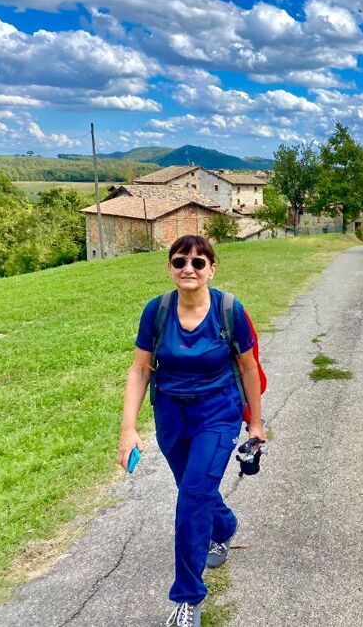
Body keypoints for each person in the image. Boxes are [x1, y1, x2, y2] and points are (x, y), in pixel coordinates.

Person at [118, 235, 265, 627]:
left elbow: (249, 369)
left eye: (199, 262)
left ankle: (188, 597)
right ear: (170, 267)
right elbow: (139, 370)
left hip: (218, 414)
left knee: (192, 496)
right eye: (181, 261)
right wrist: (128, 428)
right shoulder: (157, 311)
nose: (189, 268)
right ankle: (225, 525)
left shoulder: (228, 310)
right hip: (170, 417)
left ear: (211, 270)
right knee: (193, 488)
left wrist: (255, 422)